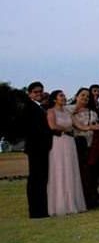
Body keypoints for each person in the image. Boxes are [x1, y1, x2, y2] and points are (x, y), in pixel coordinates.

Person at [46, 90, 87, 216]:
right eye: (61, 95)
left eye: (64, 95)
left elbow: (80, 126)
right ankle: (60, 204)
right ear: (54, 99)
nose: (63, 97)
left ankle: (72, 202)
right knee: (59, 170)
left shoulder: (68, 112)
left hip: (70, 142)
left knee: (71, 170)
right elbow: (52, 126)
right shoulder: (51, 111)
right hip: (58, 142)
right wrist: (66, 129)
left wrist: (94, 127)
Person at [22, 81, 53, 218]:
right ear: (30, 94)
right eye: (35, 92)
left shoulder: (41, 108)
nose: (39, 94)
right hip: (35, 148)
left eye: (40, 91)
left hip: (43, 148)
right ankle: (35, 211)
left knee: (42, 179)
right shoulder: (28, 108)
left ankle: (41, 209)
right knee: (36, 179)